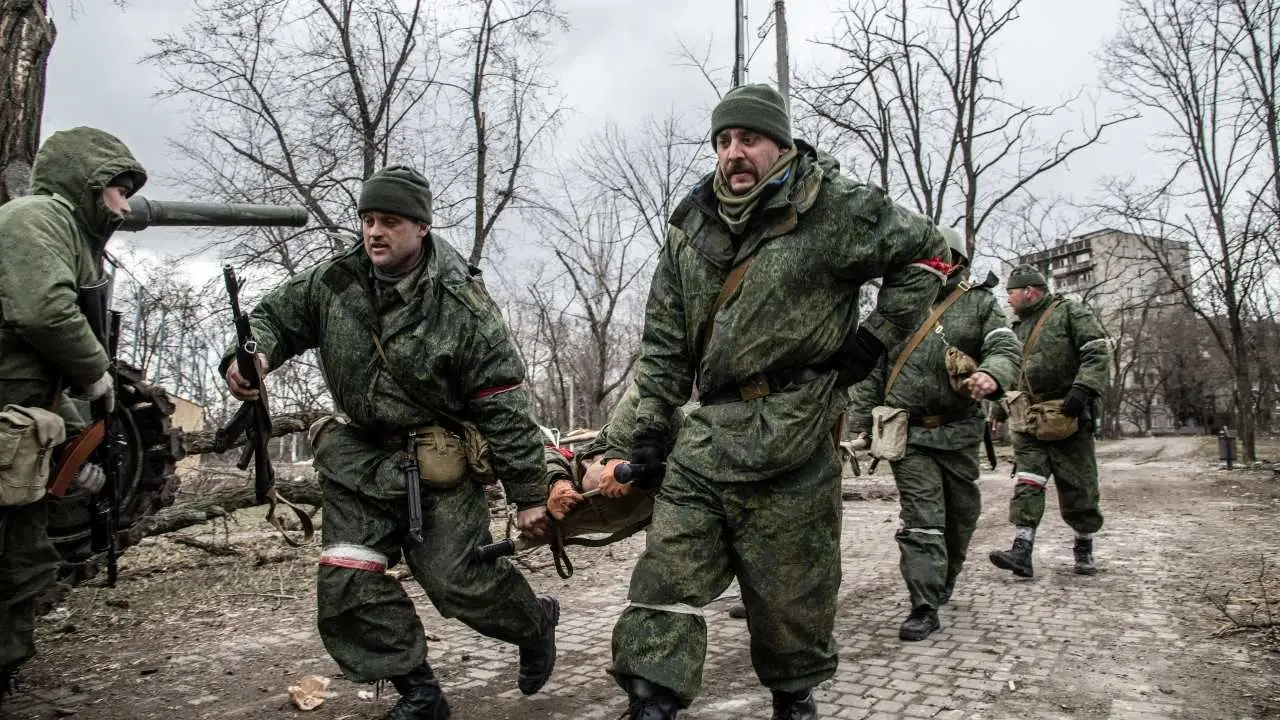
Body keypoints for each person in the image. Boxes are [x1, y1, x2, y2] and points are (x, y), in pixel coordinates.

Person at [608, 84, 949, 720]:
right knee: (665, 577)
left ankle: (794, 696)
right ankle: (651, 700)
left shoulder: (835, 207)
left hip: (795, 428)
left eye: (749, 139)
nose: (734, 153)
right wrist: (651, 429)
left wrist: (872, 341)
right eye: (723, 141)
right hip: (707, 438)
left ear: (782, 144)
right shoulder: (689, 230)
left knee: (792, 596)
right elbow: (663, 343)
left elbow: (933, 253)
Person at [223, 165, 557, 720]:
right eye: (368, 220)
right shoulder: (335, 280)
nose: (374, 232)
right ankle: (420, 693)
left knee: (457, 582)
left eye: (390, 222)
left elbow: (503, 401)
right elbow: (276, 318)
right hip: (362, 456)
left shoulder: (461, 305)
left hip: (437, 457)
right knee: (348, 577)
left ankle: (533, 621)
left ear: (421, 227)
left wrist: (529, 494)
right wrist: (252, 356)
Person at [0, 127, 145, 703]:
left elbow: (31, 372)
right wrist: (93, 369)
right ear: (89, 184)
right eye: (118, 187)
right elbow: (42, 312)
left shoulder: (69, 235)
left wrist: (75, 446)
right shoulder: (35, 217)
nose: (125, 203)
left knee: (22, 562)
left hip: (21, 429)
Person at [848, 228, 1020, 641]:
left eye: (936, 259)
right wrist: (862, 425)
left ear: (956, 263)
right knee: (923, 520)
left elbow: (1005, 347)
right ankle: (923, 603)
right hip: (910, 437)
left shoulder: (978, 303)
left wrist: (991, 374)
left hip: (959, 431)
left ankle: (943, 582)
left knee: (961, 517)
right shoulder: (899, 306)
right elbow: (873, 368)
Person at [988, 265, 1110, 578]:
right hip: (1028, 417)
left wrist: (1082, 391)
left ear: (1030, 291)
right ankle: (1022, 551)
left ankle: (1084, 547)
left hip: (1067, 415)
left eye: (1012, 292)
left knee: (1079, 487)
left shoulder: (1070, 312)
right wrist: (998, 411)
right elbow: (1012, 370)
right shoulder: (1014, 326)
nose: (1009, 298)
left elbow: (1096, 351)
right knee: (1028, 480)